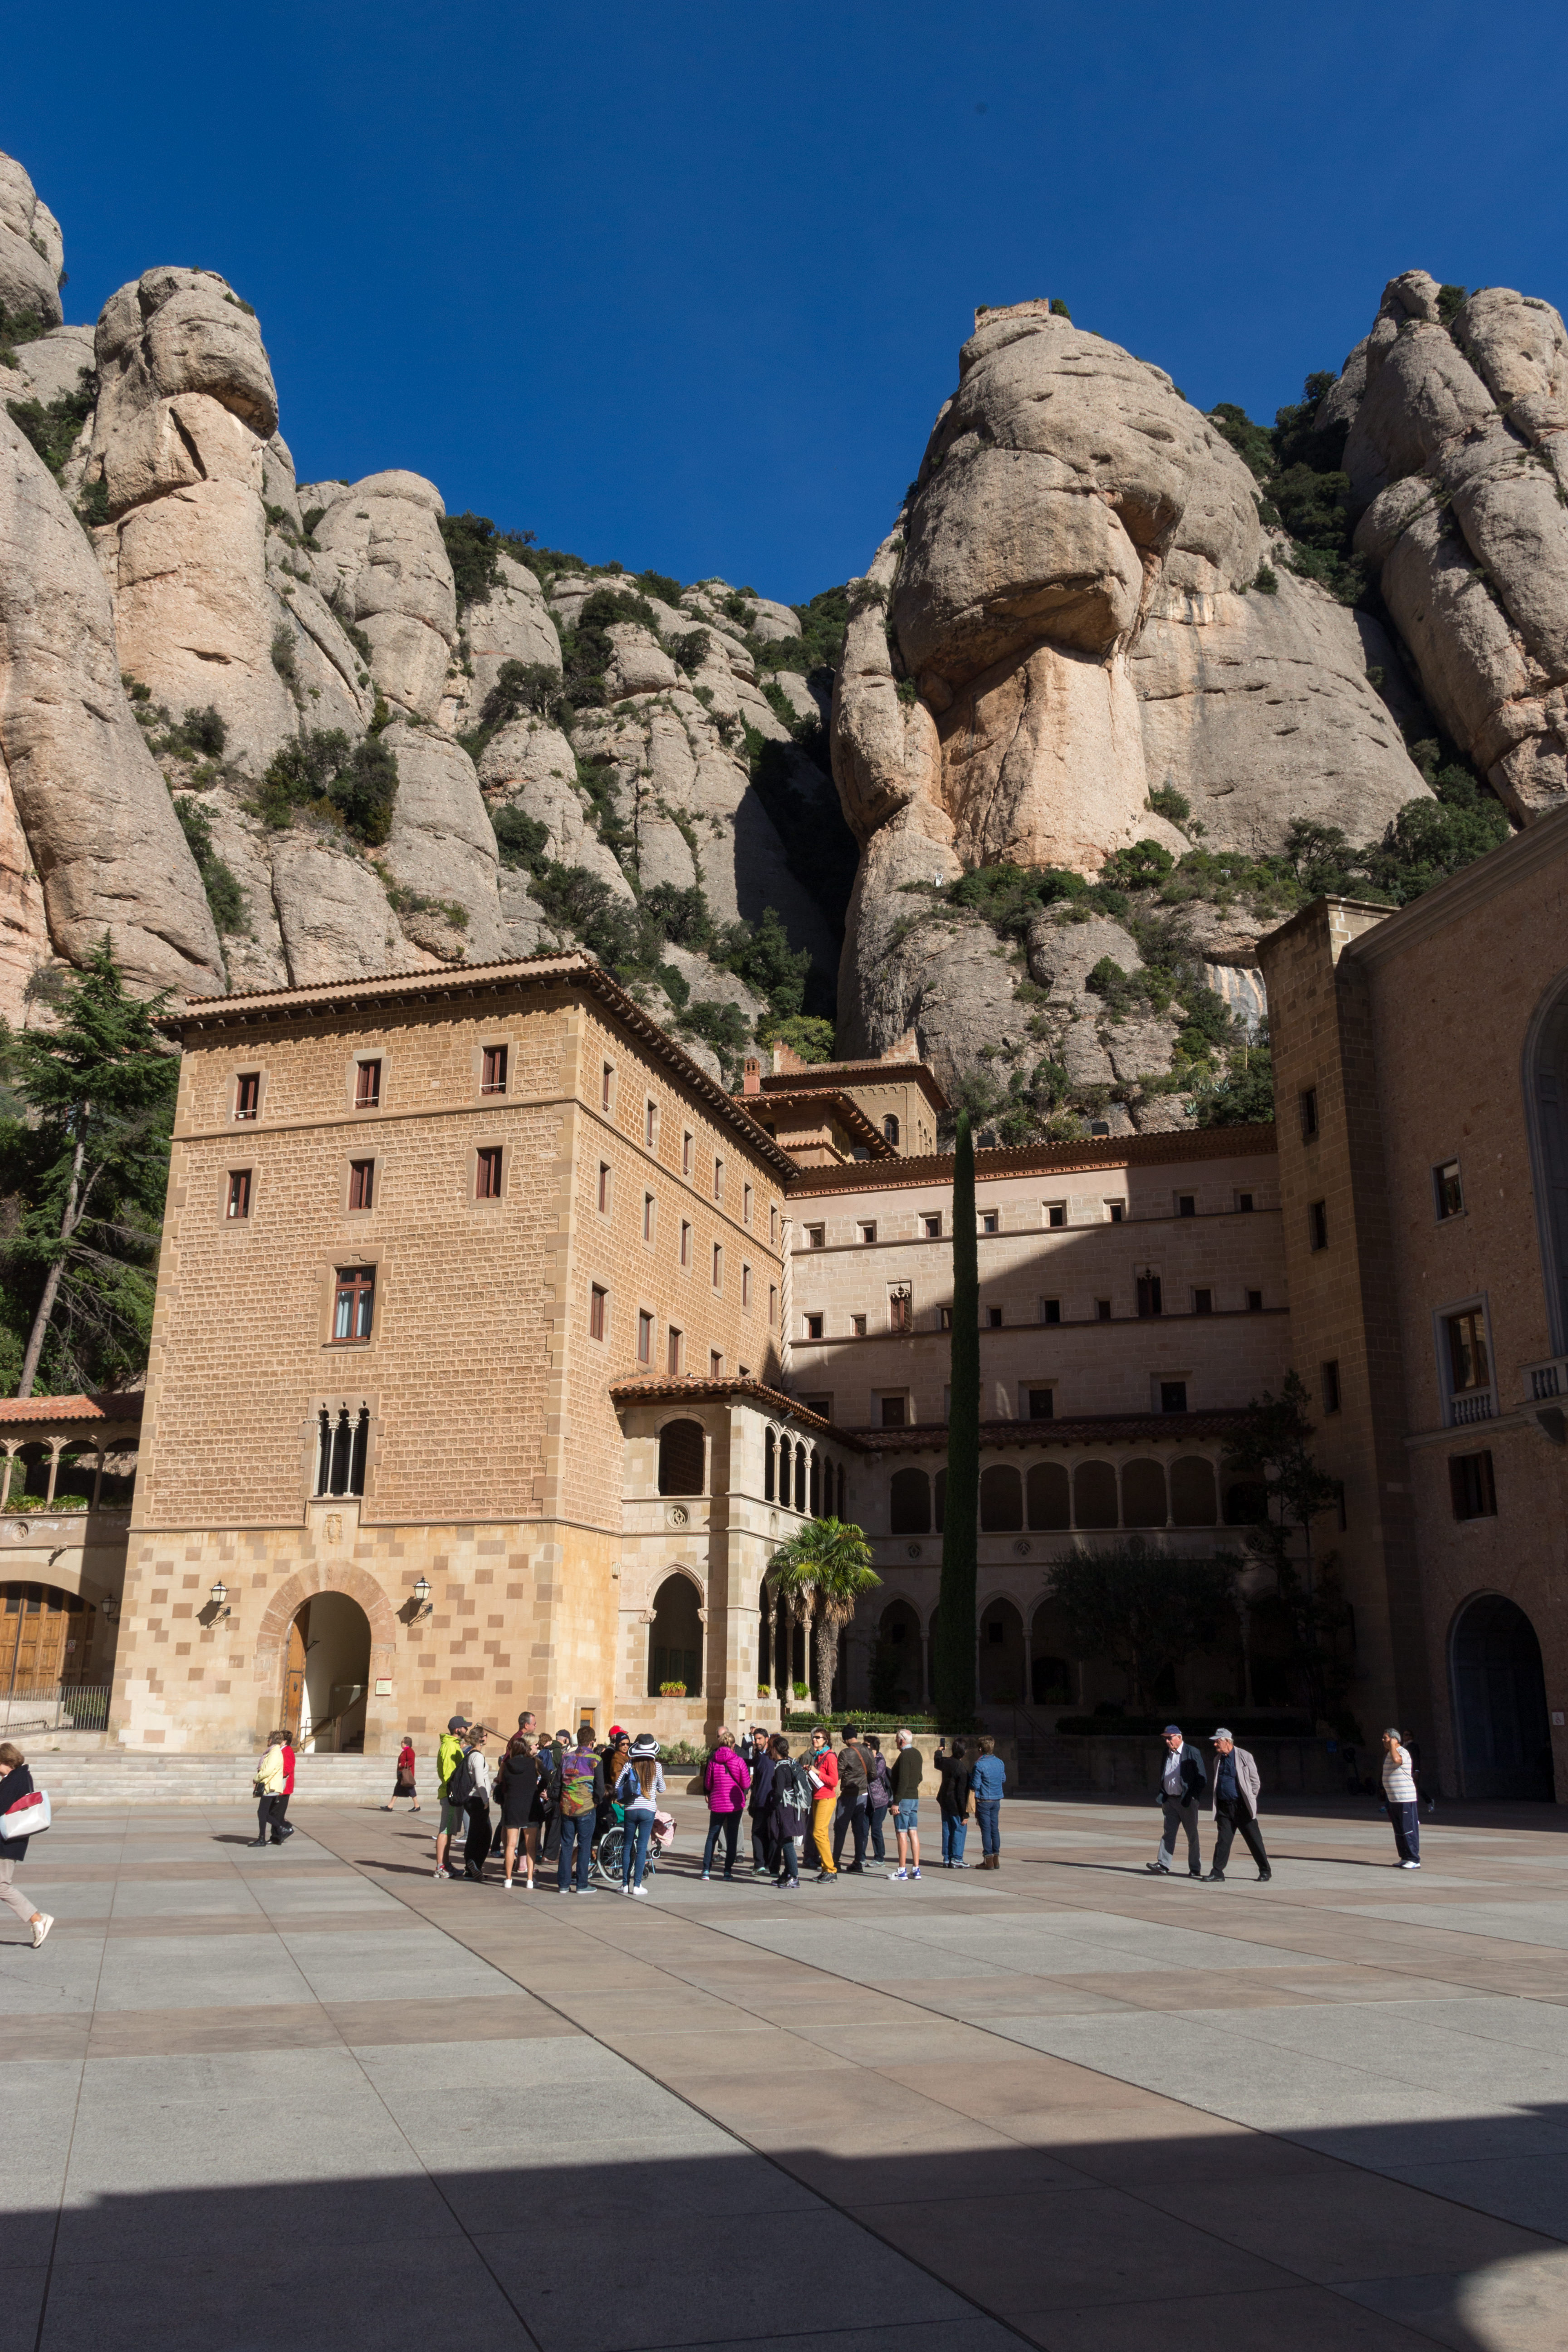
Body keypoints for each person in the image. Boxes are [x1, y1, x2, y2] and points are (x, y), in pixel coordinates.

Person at [0, 1740, 53, 1946]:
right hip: (11, 1840)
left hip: (7, 1842)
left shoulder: (15, 1780)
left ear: (5, 1761)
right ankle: (37, 1920)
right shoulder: (21, 1776)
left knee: (2, 1886)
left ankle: (38, 1919)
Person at [1203, 1730, 1271, 1883]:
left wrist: (1250, 1799)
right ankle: (1217, 1872)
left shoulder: (1244, 1756)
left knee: (1254, 1840)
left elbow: (1255, 1782)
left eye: (1218, 1742)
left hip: (1242, 1807)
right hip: (1224, 1807)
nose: (1215, 1745)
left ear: (1227, 1741)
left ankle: (1265, 1871)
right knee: (1223, 1841)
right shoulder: (1217, 1759)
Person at [1147, 1723, 1206, 1877]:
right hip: (1169, 1800)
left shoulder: (1192, 1752)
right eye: (1165, 1739)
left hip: (1186, 1801)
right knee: (1169, 1833)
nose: (1167, 1742)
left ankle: (1195, 1868)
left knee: (1192, 1835)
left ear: (1179, 1737)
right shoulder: (1166, 1753)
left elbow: (1202, 1778)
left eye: (1170, 1738)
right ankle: (1163, 1864)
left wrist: (1192, 1797)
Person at [555, 1727, 605, 1892]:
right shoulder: (596, 1759)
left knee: (566, 1845)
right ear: (592, 1742)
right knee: (584, 1846)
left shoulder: (566, 1757)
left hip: (567, 1806)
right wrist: (597, 1802)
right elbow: (600, 1787)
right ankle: (582, 1884)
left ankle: (563, 1884)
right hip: (586, 1807)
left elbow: (558, 1782)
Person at [617, 1734, 665, 1896]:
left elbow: (617, 1785)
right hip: (648, 1810)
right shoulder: (657, 1767)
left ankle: (625, 1884)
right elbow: (662, 1789)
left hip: (631, 1809)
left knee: (627, 1846)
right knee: (642, 1847)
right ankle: (637, 1885)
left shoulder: (630, 1764)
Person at [701, 1727, 751, 1879]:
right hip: (734, 1804)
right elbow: (746, 1783)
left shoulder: (713, 1761)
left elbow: (708, 1784)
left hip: (718, 1803)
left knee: (712, 1835)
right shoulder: (739, 1761)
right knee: (732, 1837)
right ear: (733, 1745)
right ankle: (728, 1871)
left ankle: (706, 1870)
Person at [765, 1734, 811, 1889]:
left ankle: (794, 1877)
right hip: (793, 1808)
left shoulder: (780, 1768)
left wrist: (772, 1806)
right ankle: (787, 1875)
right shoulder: (791, 1763)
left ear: (775, 1749)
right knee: (785, 1840)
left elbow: (779, 1792)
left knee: (786, 1842)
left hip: (784, 1808)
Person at [498, 1724, 539, 1891]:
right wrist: (538, 1789)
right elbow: (547, 1777)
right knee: (531, 1846)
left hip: (513, 1805)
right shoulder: (533, 1763)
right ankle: (529, 1879)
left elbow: (502, 1783)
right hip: (530, 1807)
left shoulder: (507, 1765)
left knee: (510, 1845)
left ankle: (508, 1879)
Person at [433, 1714, 471, 1880]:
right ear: (457, 1730)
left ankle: (446, 1864)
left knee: (449, 1831)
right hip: (450, 1794)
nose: (467, 1730)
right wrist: (456, 1792)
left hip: (453, 1794)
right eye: (465, 1727)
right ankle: (440, 1866)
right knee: (445, 1830)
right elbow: (449, 1774)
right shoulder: (450, 1746)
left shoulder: (454, 1745)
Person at [833, 1724, 873, 1873]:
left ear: (845, 1738)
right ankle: (858, 1862)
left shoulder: (846, 1753)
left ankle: (835, 1861)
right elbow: (874, 1774)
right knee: (859, 1830)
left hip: (848, 1796)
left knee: (840, 1828)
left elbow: (837, 1775)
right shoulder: (868, 1751)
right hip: (863, 1794)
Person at [1382, 1728, 1421, 1868]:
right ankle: (1405, 1857)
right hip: (1394, 1799)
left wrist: (1393, 1745)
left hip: (1405, 1798)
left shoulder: (1402, 1752)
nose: (1383, 1740)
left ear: (1394, 1739)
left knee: (1408, 1829)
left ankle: (1414, 1859)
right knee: (1399, 1830)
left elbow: (1397, 1760)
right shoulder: (1390, 1754)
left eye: (1386, 1738)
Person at [888, 1728, 922, 1881]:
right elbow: (920, 1777)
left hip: (904, 1799)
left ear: (902, 1741)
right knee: (913, 1832)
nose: (896, 1742)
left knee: (901, 1833)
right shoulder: (917, 1754)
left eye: (897, 1740)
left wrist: (896, 1802)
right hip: (914, 1798)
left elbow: (903, 1780)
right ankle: (916, 1869)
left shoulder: (904, 1756)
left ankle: (902, 1869)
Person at [806, 1726, 839, 1881]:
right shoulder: (819, 1756)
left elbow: (834, 1781)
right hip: (818, 1797)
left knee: (818, 1833)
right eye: (814, 1737)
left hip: (826, 1798)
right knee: (822, 1834)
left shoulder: (830, 1757)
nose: (815, 1739)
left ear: (826, 1740)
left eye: (818, 1737)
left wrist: (818, 1772)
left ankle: (831, 1870)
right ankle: (827, 1869)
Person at [462, 1729, 495, 1881]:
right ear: (481, 1739)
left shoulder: (471, 1754)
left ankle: (473, 1867)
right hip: (477, 1799)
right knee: (482, 1835)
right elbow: (480, 1781)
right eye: (486, 1736)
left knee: (479, 1833)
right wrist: (485, 1800)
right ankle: (472, 1866)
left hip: (474, 1799)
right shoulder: (477, 1756)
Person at [971, 1735, 1007, 1870]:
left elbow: (975, 1784)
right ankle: (996, 1859)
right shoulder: (1000, 1763)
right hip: (996, 1799)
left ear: (981, 1749)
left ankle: (988, 1860)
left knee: (986, 1830)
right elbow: (1003, 1779)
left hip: (984, 1800)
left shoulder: (979, 1764)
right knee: (994, 1829)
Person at [936, 1737, 973, 1867]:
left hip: (945, 1801)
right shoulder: (962, 1770)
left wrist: (939, 1751)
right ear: (964, 1752)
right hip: (955, 1805)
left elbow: (937, 1762)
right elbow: (961, 1794)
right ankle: (957, 1858)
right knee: (959, 1830)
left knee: (947, 1830)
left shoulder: (947, 1762)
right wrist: (965, 1814)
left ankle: (947, 1858)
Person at [250, 1730, 288, 1848]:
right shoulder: (273, 1752)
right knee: (263, 1813)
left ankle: (280, 1830)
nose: (268, 1741)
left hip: (271, 1787)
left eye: (269, 1739)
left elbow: (267, 1771)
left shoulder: (275, 1753)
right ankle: (279, 1830)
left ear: (272, 1740)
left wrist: (256, 1778)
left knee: (262, 1813)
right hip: (269, 1786)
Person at [745, 1725, 774, 1874]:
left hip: (764, 1802)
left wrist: (756, 1802)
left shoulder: (767, 1758)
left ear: (767, 1739)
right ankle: (766, 1864)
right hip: (765, 1801)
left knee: (757, 1833)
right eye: (755, 1739)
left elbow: (764, 1783)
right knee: (766, 1834)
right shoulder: (761, 1756)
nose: (757, 1742)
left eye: (760, 1739)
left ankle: (760, 1864)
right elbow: (754, 1763)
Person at [864, 1735, 892, 1865]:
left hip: (880, 1801)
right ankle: (861, 1857)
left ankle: (880, 1857)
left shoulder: (880, 1760)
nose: (864, 1748)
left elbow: (874, 1775)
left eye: (867, 1746)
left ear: (874, 1748)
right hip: (866, 1801)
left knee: (876, 1829)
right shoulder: (863, 1760)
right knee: (863, 1830)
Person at [385, 1734, 420, 1813]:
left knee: (411, 1789)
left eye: (402, 1742)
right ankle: (390, 1806)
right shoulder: (405, 1751)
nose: (401, 1743)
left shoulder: (409, 1751)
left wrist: (402, 1765)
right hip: (402, 1774)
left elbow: (411, 1762)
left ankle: (417, 1806)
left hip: (406, 1775)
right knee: (397, 1790)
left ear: (406, 1743)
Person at [272, 1730, 296, 1843]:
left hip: (284, 1788)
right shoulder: (280, 1750)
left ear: (285, 1741)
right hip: (279, 1786)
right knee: (275, 1813)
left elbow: (287, 1769)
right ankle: (276, 1836)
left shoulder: (287, 1751)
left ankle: (285, 1828)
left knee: (277, 1813)